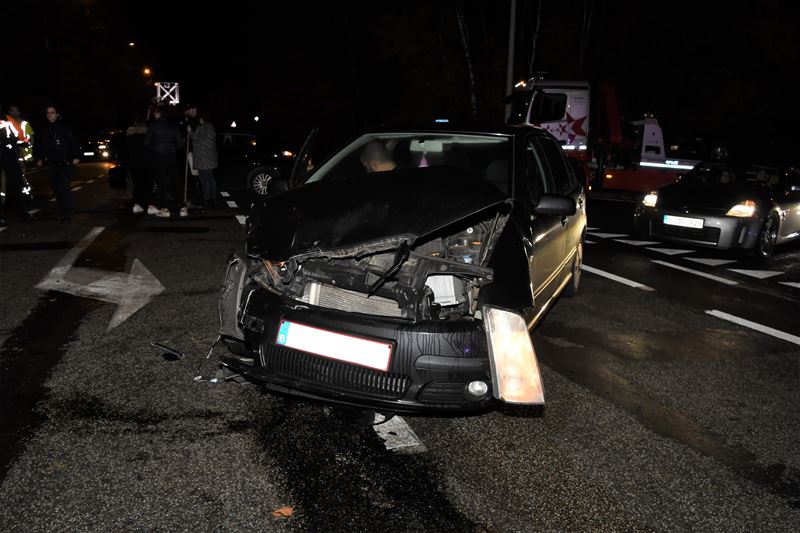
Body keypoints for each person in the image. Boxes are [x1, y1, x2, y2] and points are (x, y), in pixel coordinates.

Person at [35, 105, 80, 222]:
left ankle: (67, 213)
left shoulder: (64, 128)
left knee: (63, 187)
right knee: (55, 188)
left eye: (52, 112)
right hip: (52, 164)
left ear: (57, 114)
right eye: (48, 113)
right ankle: (61, 210)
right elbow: (43, 146)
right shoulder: (45, 129)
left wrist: (76, 156)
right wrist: (40, 158)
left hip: (66, 162)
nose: (50, 114)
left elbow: (73, 142)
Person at [144, 106, 185, 217]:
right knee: (176, 181)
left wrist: (156, 148)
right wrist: (172, 149)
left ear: (158, 113)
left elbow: (147, 143)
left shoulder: (153, 126)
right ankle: (182, 207)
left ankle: (165, 209)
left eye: (155, 113)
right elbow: (181, 143)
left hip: (159, 157)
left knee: (162, 183)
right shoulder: (173, 126)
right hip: (172, 156)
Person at [0, 114, 34, 224]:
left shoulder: (7, 119)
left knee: (16, 185)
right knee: (13, 186)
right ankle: (20, 213)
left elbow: (20, 136)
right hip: (8, 156)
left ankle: (21, 212)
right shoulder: (7, 119)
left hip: (9, 156)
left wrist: (24, 142)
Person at [126, 116, 156, 214]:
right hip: (147, 162)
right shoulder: (148, 134)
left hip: (134, 163)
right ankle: (150, 205)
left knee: (137, 185)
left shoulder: (130, 135)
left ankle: (137, 205)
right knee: (149, 185)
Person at [190, 112, 218, 206]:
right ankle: (213, 198)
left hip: (202, 159)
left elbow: (195, 138)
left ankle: (206, 198)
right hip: (211, 159)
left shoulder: (200, 128)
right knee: (211, 179)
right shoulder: (211, 128)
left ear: (202, 119)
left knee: (204, 179)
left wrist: (190, 131)